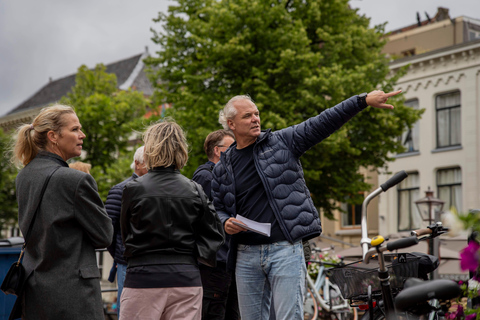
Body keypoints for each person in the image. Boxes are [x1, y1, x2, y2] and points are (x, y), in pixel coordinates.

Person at [211, 90, 402, 320]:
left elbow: (322, 122)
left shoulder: (282, 142)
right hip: (245, 255)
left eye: (257, 113)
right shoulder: (223, 167)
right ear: (231, 124)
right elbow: (217, 207)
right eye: (247, 116)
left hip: (285, 250)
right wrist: (225, 222)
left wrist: (361, 101)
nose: (256, 119)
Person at [12, 104, 113, 319]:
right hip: (75, 295)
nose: (82, 135)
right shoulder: (75, 180)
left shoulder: (24, 176)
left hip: (35, 292)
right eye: (75, 129)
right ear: (53, 136)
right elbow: (105, 235)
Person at [120, 119, 225, 320]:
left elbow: (126, 234)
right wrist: (193, 256)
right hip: (186, 277)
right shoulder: (195, 189)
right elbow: (215, 234)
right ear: (181, 149)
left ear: (150, 148)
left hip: (143, 276)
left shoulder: (133, 189)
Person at [192, 130, 239, 320]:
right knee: (215, 312)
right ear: (218, 151)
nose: (237, 152)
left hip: (227, 260)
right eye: (232, 148)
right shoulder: (206, 177)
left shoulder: (224, 176)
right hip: (215, 262)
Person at [105, 145, 148, 316]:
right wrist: (119, 255)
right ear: (137, 164)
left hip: (146, 262)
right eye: (148, 163)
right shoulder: (120, 190)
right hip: (127, 263)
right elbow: (107, 230)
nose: (153, 167)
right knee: (129, 312)